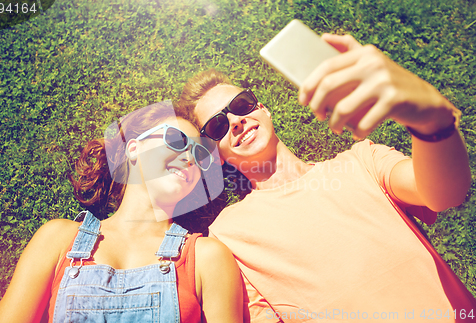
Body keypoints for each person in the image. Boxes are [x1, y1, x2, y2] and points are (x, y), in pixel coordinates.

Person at [177, 34, 476, 322]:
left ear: (263, 110)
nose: (236, 122)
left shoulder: (364, 161)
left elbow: (446, 194)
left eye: (241, 105)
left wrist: (430, 119)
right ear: (214, 155)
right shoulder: (227, 236)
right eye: (217, 126)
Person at [0, 101, 244, 323]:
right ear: (134, 149)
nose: (189, 158)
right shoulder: (57, 239)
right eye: (176, 140)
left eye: (199, 154)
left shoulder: (207, 259)